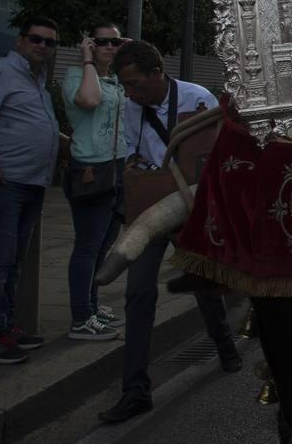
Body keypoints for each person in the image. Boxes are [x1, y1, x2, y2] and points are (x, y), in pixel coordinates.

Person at [98, 40, 240, 424]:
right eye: (125, 86)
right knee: (138, 294)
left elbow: (218, 153)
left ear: (157, 73)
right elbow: (132, 149)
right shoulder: (132, 108)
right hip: (150, 212)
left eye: (135, 84)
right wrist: (136, 167)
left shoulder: (198, 99)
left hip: (191, 207)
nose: (130, 93)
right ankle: (135, 391)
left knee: (203, 284)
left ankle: (225, 346)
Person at [0, 16, 62, 364]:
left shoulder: (36, 80)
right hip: (4, 184)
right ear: (20, 41)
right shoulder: (0, 72)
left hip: (32, 184)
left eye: (50, 42)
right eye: (36, 39)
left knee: (14, 263)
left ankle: (8, 328)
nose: (43, 46)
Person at [60, 22, 130, 342]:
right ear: (89, 44)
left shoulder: (116, 80)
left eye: (114, 43)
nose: (108, 47)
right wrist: (87, 60)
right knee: (88, 245)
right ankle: (80, 318)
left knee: (104, 244)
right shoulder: (78, 75)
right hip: (90, 168)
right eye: (101, 42)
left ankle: (92, 305)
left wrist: (129, 51)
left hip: (116, 167)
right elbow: (88, 101)